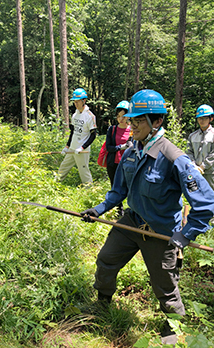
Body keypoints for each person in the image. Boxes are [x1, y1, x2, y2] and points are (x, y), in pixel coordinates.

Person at [80, 89, 214, 345]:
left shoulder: (174, 158)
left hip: (161, 231)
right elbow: (118, 191)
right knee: (106, 260)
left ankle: (173, 326)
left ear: (157, 121)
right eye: (131, 120)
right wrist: (98, 209)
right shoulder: (131, 152)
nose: (132, 125)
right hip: (131, 222)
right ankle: (103, 303)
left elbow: (206, 203)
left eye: (139, 120)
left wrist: (184, 236)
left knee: (165, 286)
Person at [58, 88, 97, 185]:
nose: (76, 104)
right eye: (74, 102)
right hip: (72, 148)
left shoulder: (90, 116)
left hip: (82, 151)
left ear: (84, 101)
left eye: (78, 102)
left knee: (84, 171)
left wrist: (82, 147)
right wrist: (67, 146)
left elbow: (93, 135)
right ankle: (54, 185)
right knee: (63, 167)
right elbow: (73, 132)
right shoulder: (75, 115)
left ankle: (90, 191)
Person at [105, 100, 132, 217]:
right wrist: (121, 147)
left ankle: (131, 211)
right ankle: (118, 212)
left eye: (124, 116)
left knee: (130, 187)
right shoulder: (112, 129)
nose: (121, 119)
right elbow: (108, 147)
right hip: (113, 163)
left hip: (128, 164)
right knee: (115, 188)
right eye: (118, 116)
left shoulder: (132, 130)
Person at [186, 104, 214, 190]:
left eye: (205, 118)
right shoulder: (192, 136)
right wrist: (194, 166)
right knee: (197, 195)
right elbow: (188, 152)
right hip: (195, 171)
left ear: (211, 118)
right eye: (200, 118)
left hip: (211, 173)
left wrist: (203, 167)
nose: (202, 120)